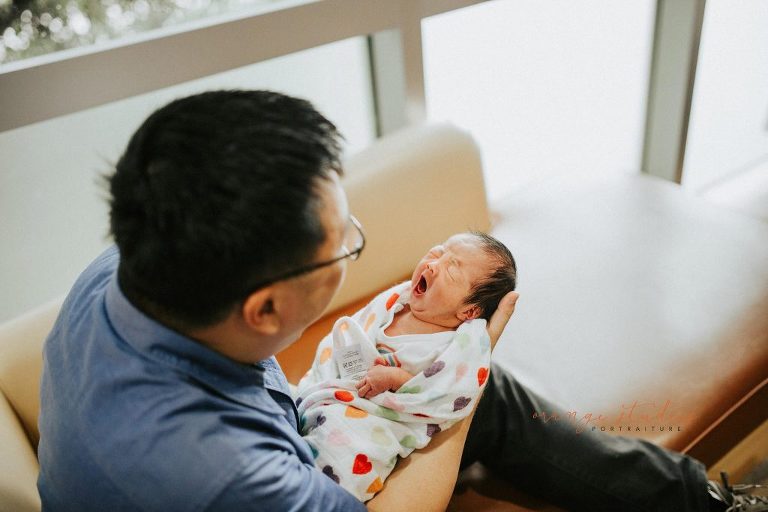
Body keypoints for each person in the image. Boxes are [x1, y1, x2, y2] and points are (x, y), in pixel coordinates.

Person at [36, 90, 766, 512]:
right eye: (343, 245)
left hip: (303, 426)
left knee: (493, 393)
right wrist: (463, 385)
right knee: (482, 391)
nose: (361, 241)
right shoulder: (226, 474)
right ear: (263, 311)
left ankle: (704, 503)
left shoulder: (122, 270)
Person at [297, 232, 516, 501]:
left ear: (468, 312)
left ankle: (323, 486)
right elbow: (352, 332)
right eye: (438, 252)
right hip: (334, 391)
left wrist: (398, 378)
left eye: (451, 270)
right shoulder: (395, 301)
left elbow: (442, 394)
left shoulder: (452, 345)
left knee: (345, 454)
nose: (433, 264)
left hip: (376, 420)